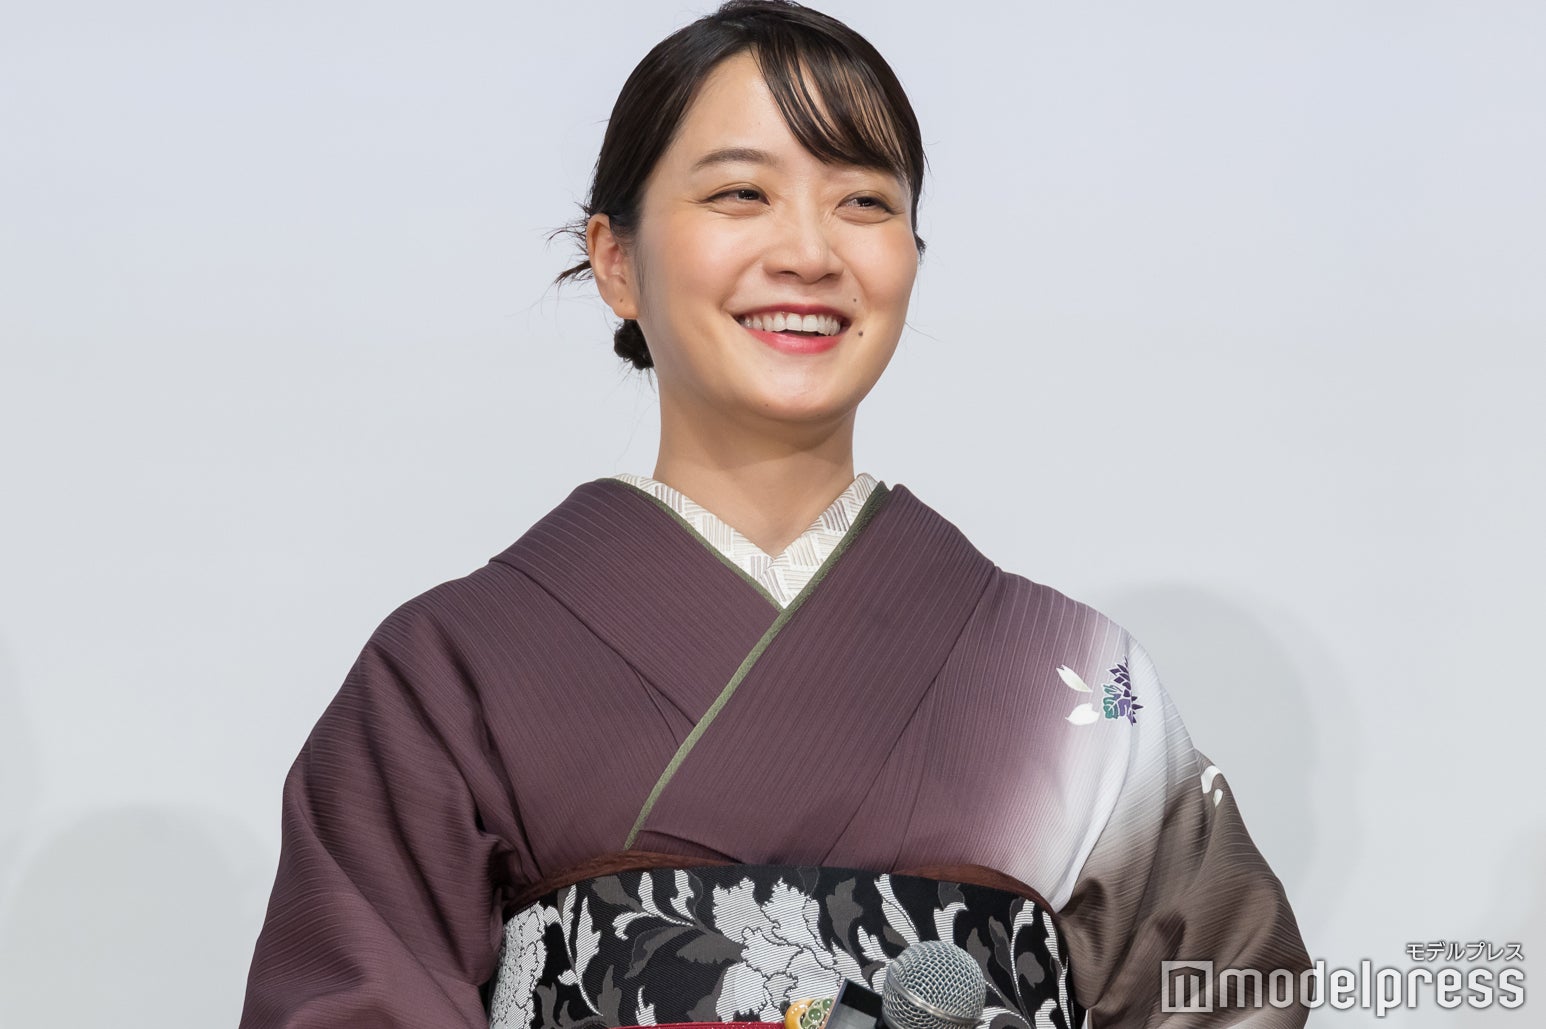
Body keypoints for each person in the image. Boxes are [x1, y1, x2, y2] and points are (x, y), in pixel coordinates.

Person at [238, 2, 1311, 1027]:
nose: (809, 251)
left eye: (864, 203)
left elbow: (1229, 995)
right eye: (741, 194)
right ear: (616, 260)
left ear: (912, 258)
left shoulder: (1069, 677)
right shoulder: (449, 671)